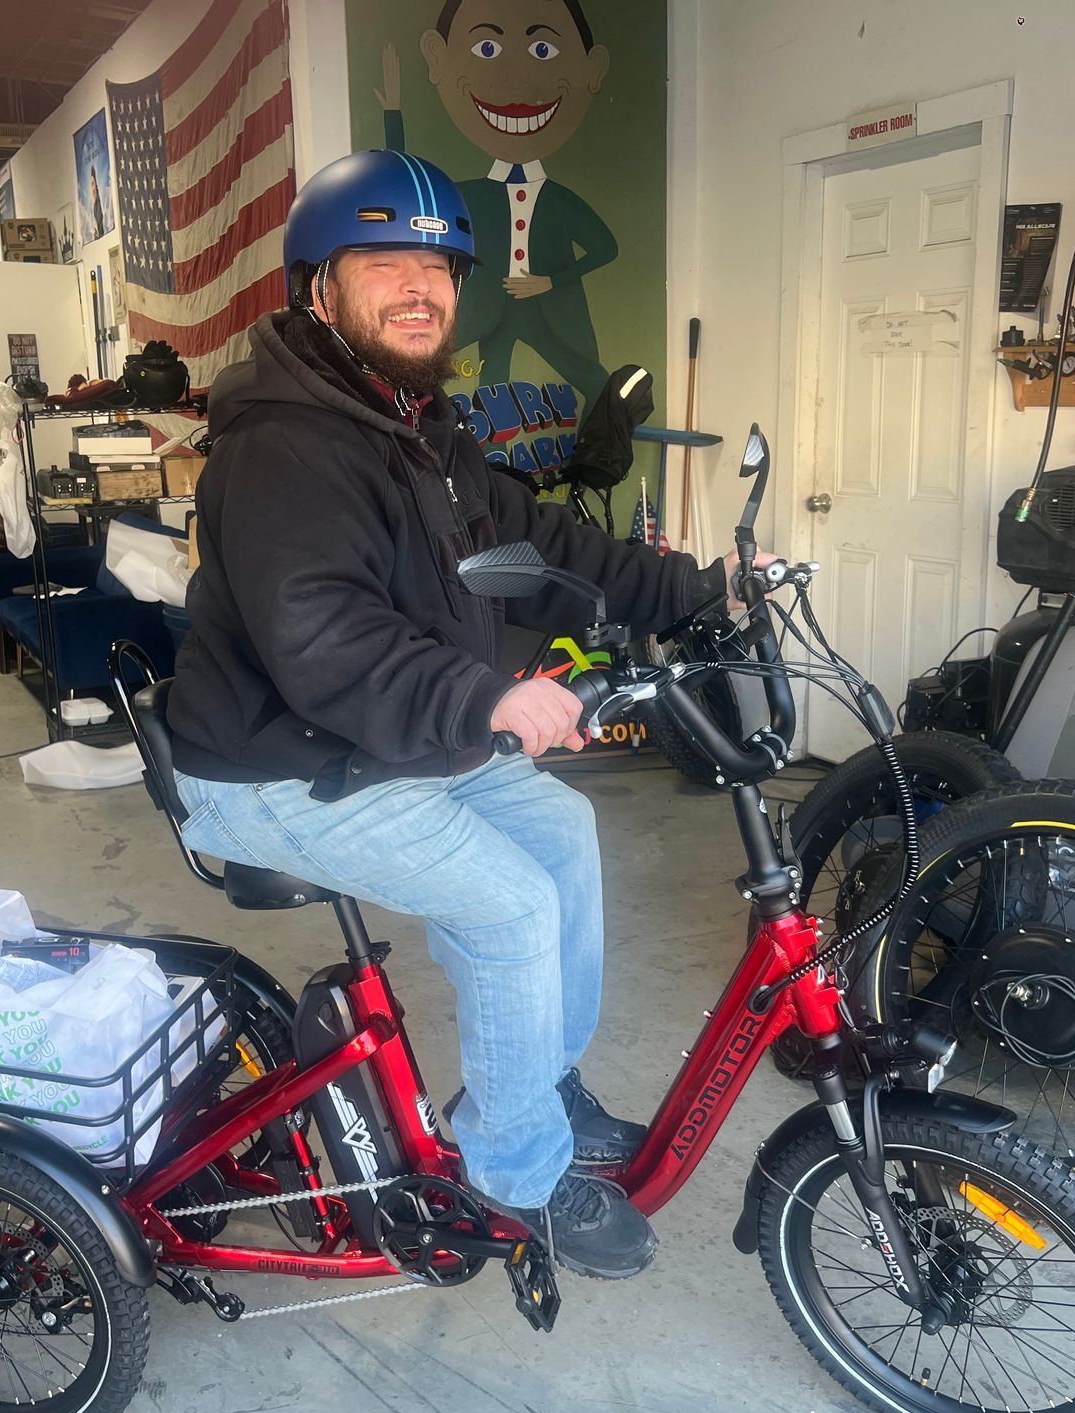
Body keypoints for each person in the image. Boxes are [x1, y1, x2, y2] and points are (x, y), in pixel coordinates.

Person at [166, 150, 739, 1280]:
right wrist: (490, 695)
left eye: (439, 264)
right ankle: (514, 1175)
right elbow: (322, 638)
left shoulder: (418, 427)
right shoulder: (286, 447)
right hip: (275, 769)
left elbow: (544, 548)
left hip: (388, 743)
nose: (420, 285)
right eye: (386, 261)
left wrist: (705, 590)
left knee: (565, 837)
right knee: (514, 906)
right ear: (317, 287)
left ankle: (537, 1088)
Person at [378, 0, 615, 406]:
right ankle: (485, 463)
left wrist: (551, 281)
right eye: (487, 49)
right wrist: (393, 115)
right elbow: (416, 191)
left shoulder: (559, 200)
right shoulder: (471, 193)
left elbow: (606, 248)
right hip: (489, 309)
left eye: (543, 51)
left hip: (544, 312)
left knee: (594, 382)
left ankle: (596, 458)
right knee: (490, 391)